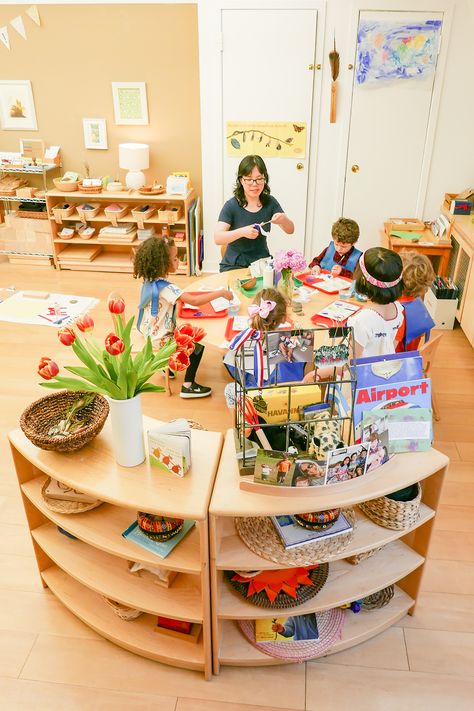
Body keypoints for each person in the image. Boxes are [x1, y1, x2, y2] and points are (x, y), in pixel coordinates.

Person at [133, 236, 232, 398]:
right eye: (174, 258)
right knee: (198, 341)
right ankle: (188, 385)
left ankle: (166, 368)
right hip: (161, 338)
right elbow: (194, 300)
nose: (178, 261)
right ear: (162, 264)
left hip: (149, 332)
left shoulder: (148, 282)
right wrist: (220, 293)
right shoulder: (166, 288)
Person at [214, 154, 294, 272]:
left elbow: (290, 230)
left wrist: (283, 219)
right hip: (234, 265)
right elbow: (217, 238)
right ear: (241, 180)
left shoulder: (270, 202)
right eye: (249, 179)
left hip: (262, 264)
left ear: (264, 178)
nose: (254, 184)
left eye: (259, 179)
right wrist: (242, 232)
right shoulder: (232, 205)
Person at [224, 288, 306, 387]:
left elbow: (230, 360)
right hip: (285, 395)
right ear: (284, 318)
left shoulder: (241, 340)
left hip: (252, 396)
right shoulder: (291, 345)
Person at [347, 247, 405, 359]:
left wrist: (311, 376)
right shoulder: (398, 308)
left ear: (363, 280)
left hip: (363, 374)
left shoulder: (362, 320)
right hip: (384, 370)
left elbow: (350, 364)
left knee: (313, 363)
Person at [396, 251, 436, 352]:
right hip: (410, 356)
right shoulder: (419, 305)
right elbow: (421, 332)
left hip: (396, 363)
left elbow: (389, 346)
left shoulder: (397, 311)